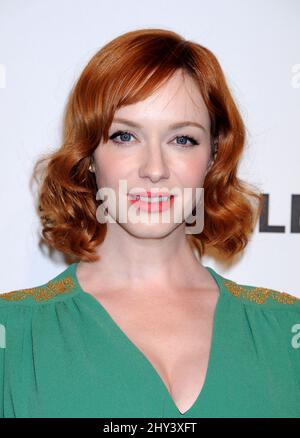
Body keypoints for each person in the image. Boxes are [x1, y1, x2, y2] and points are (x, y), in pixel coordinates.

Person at [0, 28, 299, 419]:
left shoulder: (285, 331)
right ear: (89, 154)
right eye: (125, 136)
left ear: (213, 156)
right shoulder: (15, 337)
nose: (154, 169)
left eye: (183, 140)